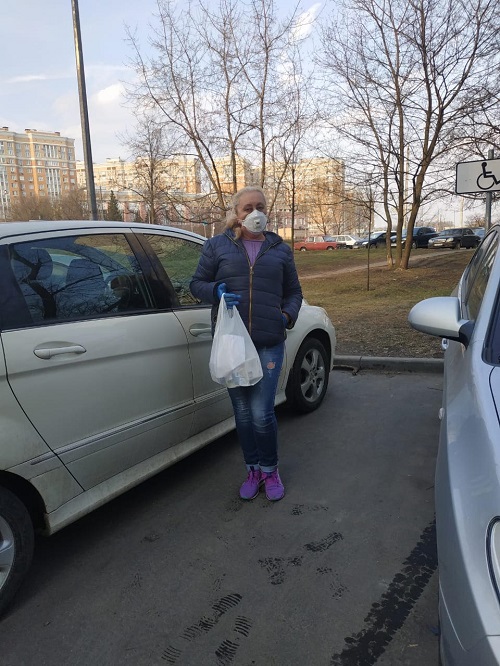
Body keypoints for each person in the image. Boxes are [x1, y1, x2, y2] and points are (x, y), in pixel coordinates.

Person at [190, 186, 303, 501]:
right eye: (248, 208)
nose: (256, 213)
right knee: (241, 412)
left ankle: (270, 469)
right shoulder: (217, 246)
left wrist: (285, 316)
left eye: (261, 207)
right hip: (233, 344)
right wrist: (216, 291)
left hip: (268, 341)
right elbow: (196, 284)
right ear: (236, 213)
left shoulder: (280, 249)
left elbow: (294, 292)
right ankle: (252, 469)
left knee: (261, 413)